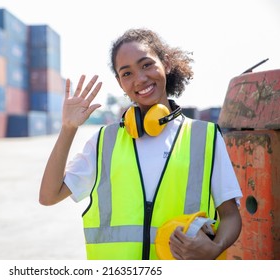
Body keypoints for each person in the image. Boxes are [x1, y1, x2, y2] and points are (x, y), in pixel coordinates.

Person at [39, 28, 242, 260]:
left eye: (146, 65)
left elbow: (231, 216)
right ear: (119, 82)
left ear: (165, 64)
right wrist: (68, 128)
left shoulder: (204, 137)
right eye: (127, 73)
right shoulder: (105, 141)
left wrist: (215, 248)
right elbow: (48, 196)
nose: (140, 79)